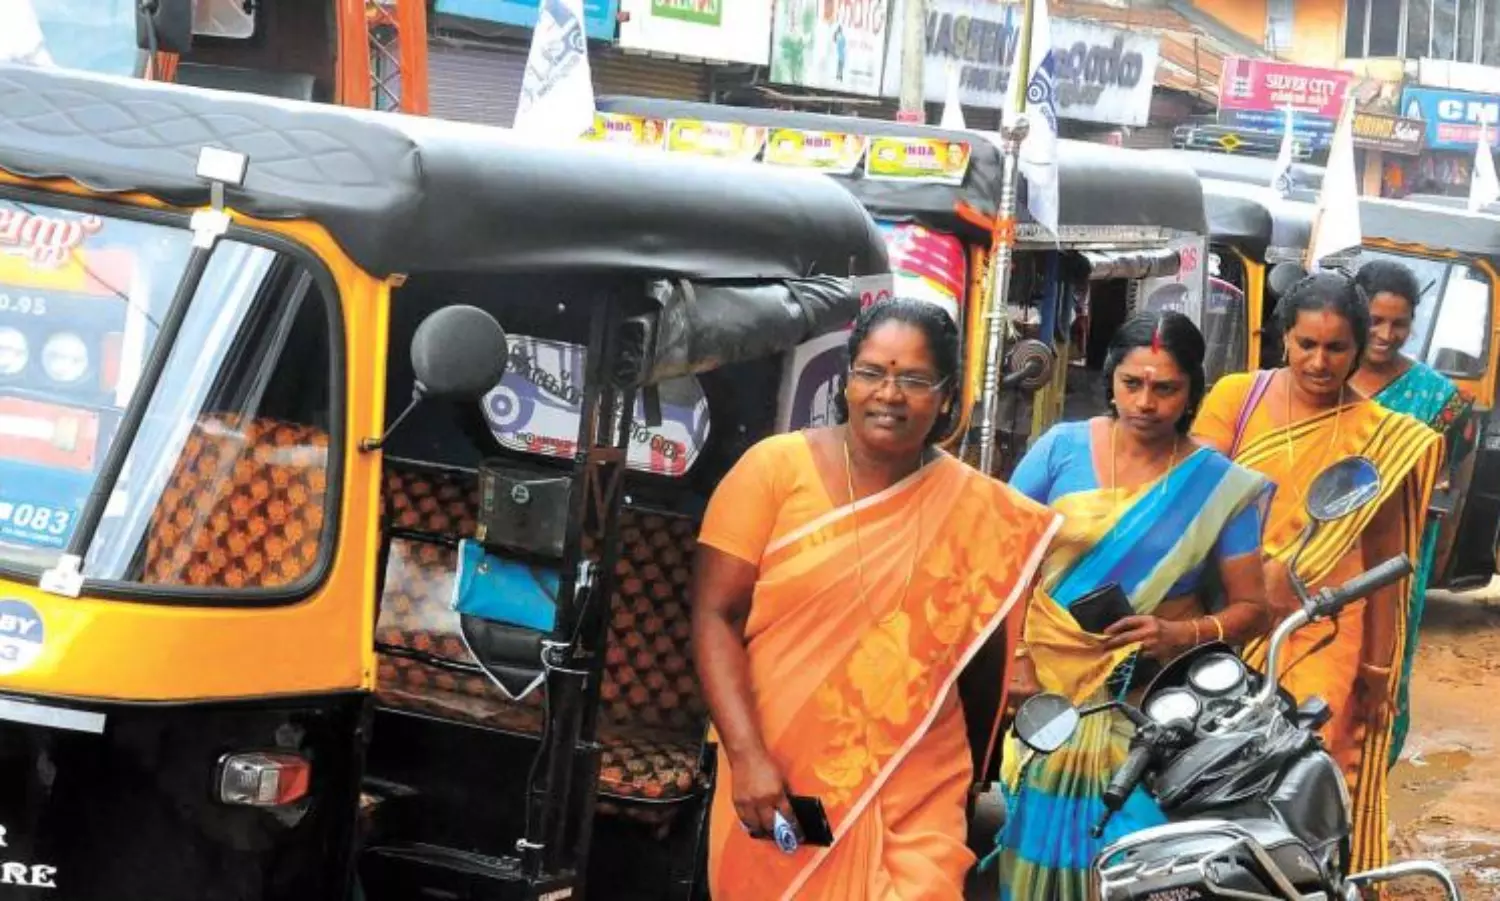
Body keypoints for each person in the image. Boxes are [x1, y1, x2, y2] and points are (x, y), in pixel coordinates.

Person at [692, 299, 1060, 900]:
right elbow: (716, 615)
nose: (889, 394)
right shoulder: (773, 471)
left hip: (917, 775)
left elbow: (983, 665)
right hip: (778, 765)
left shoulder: (978, 511)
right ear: (847, 380)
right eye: (871, 372)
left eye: (914, 379)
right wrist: (747, 755)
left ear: (946, 396)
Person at [994, 311, 1273, 900]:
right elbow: (999, 564)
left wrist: (1181, 634)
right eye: (1132, 384)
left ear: (1192, 391)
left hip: (1147, 708)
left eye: (1165, 388)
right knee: (1035, 847)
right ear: (1112, 380)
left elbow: (1254, 609)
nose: (1146, 402)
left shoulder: (1216, 485)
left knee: (1134, 857)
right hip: (1048, 697)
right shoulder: (1060, 449)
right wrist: (1016, 659)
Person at [1192, 270, 1443, 872]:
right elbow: (1191, 501)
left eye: (1336, 348)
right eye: (1307, 344)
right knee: (1207, 765)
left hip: (1323, 630)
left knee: (1299, 770)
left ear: (1358, 349)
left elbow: (1386, 564)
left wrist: (1378, 670)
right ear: (1284, 337)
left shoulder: (1381, 436)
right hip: (1229, 617)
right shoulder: (1236, 397)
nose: (1320, 362)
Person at [1350, 259, 1476, 766]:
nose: (1385, 335)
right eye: (1375, 321)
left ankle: (1369, 772)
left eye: (1398, 324)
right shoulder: (1325, 373)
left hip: (1396, 552)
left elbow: (1445, 473)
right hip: (1315, 545)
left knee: (1383, 659)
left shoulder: (1438, 399)